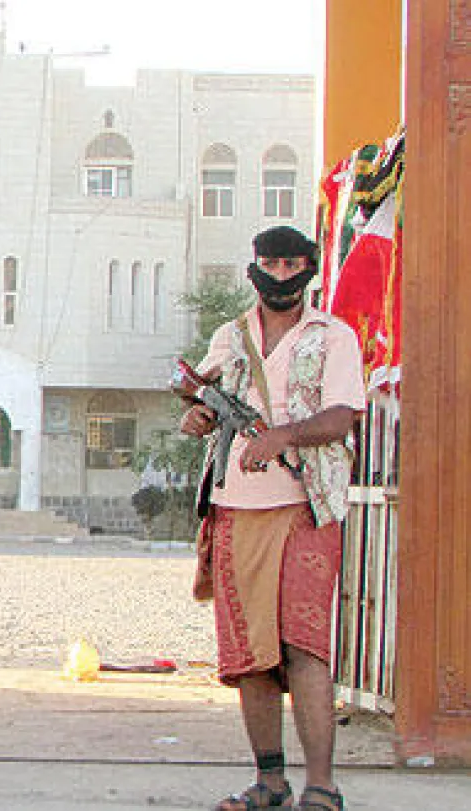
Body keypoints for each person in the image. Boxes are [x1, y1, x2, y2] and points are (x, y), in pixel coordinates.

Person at [179, 226, 364, 811]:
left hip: (308, 507)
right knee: (249, 656)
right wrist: (199, 419)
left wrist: (283, 435)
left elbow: (340, 418)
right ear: (254, 267)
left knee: (305, 648)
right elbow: (202, 399)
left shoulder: (334, 336)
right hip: (235, 507)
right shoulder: (229, 337)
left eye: (292, 264)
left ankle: (322, 786)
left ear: (309, 269)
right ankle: (270, 783)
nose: (281, 274)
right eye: (271, 263)